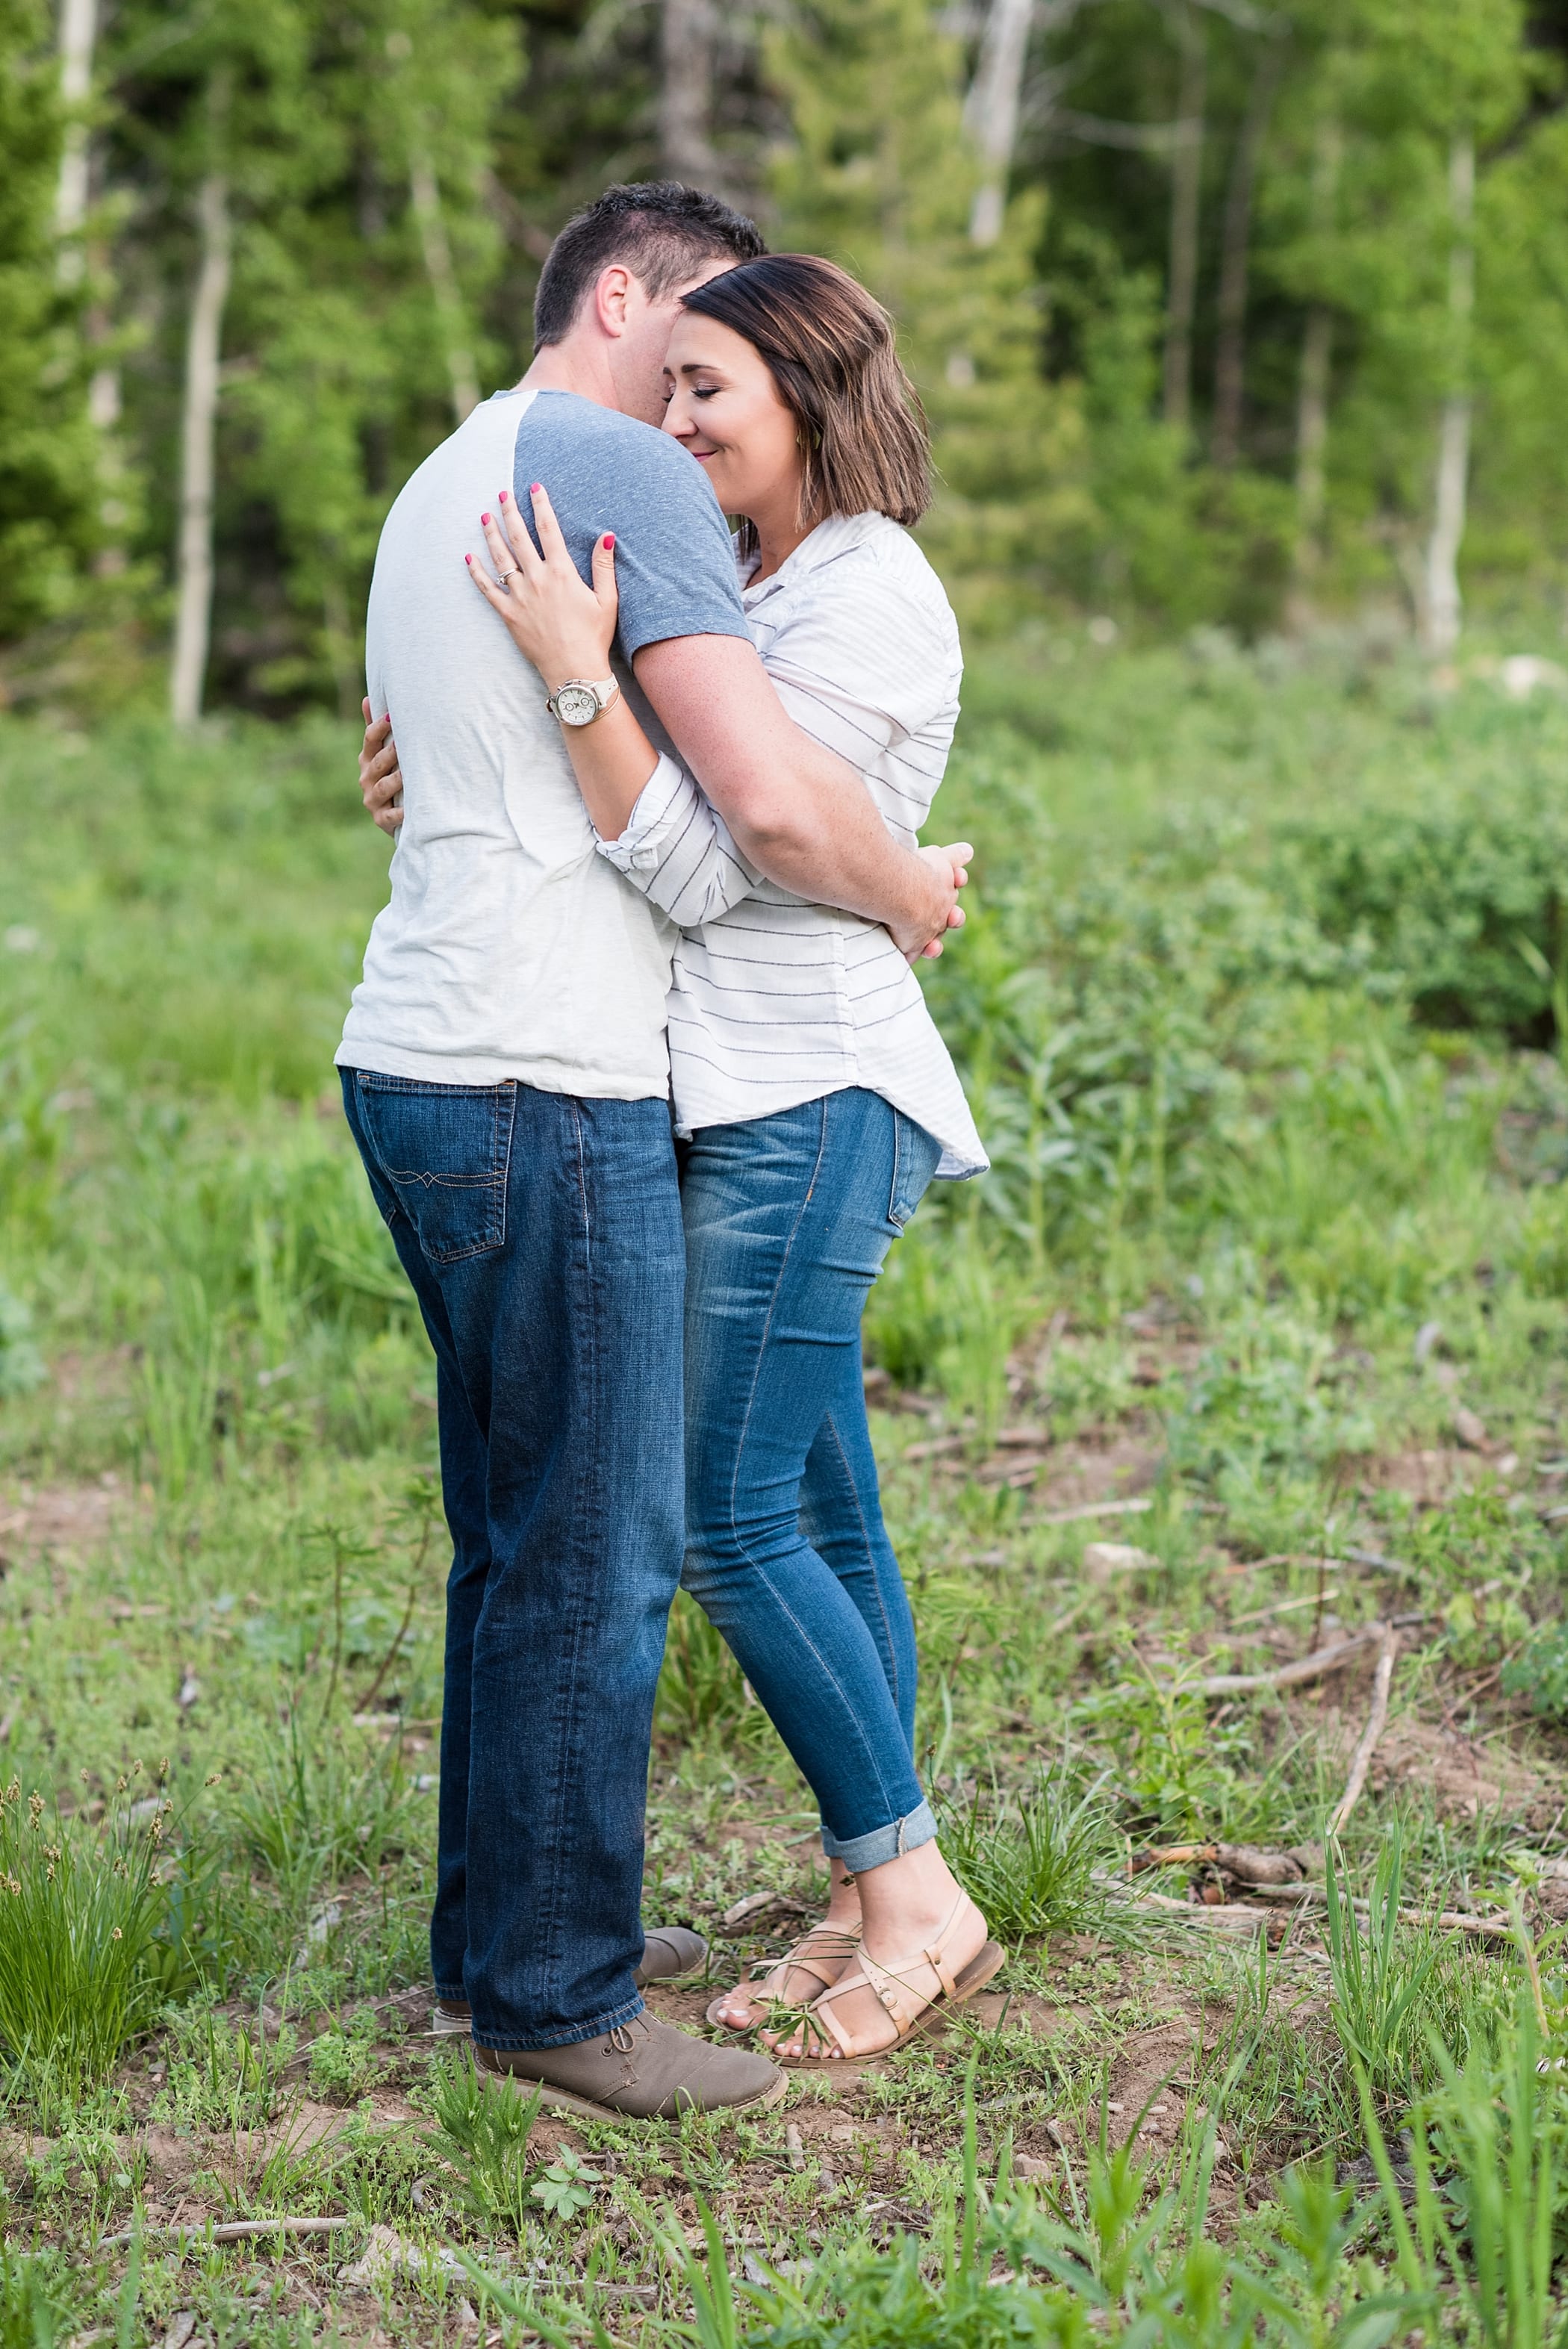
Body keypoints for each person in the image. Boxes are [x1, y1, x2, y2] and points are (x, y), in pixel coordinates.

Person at [340, 184, 967, 2122]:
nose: (686, 409)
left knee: (569, 1531)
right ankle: (560, 1988)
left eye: (729, 378)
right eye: (682, 347)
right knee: (608, 1546)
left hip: (496, 1062)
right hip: (547, 1075)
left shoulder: (466, 468)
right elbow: (741, 817)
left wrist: (875, 876)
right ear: (618, 296)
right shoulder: (601, 465)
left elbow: (732, 805)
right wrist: (906, 887)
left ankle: (525, 1947)